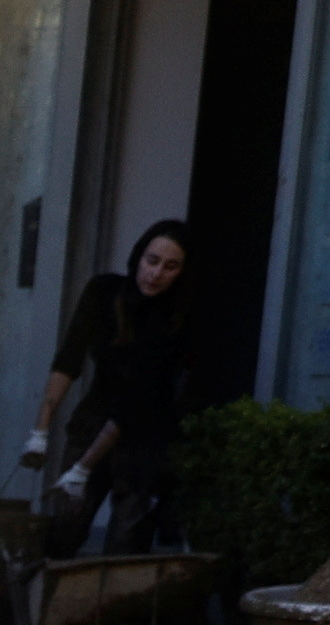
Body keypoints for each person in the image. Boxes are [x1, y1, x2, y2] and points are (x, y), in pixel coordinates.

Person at [23, 221, 204, 555]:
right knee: (64, 528)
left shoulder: (176, 320)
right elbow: (69, 359)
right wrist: (40, 431)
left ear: (182, 272)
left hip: (144, 437)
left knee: (127, 542)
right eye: (152, 261)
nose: (156, 274)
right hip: (94, 418)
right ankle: (44, 586)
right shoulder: (104, 292)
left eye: (170, 267)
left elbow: (137, 399)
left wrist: (83, 467)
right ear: (138, 256)